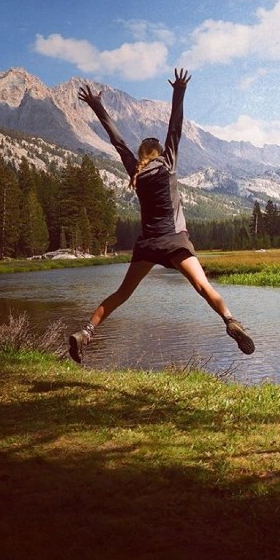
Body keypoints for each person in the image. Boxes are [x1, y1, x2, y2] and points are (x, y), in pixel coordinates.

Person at [69, 68, 254, 363]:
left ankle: (86, 332)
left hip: (148, 244)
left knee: (121, 294)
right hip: (175, 241)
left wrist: (95, 105)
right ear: (158, 151)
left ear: (142, 154)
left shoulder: (135, 169)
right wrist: (178, 91)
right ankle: (231, 321)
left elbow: (116, 139)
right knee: (203, 287)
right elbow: (175, 126)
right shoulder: (168, 162)